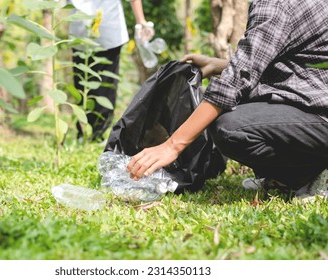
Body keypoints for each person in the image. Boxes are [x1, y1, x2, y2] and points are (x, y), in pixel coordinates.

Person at [126, 0, 328, 200]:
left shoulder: (276, 5)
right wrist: (221, 64)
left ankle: (309, 173)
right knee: (243, 101)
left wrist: (172, 146)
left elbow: (236, 82)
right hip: (316, 95)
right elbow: (284, 62)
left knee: (231, 128)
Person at [69, 0, 154, 141]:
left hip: (81, 31)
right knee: (105, 85)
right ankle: (98, 134)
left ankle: (83, 133)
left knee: (81, 84)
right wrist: (141, 21)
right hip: (108, 29)